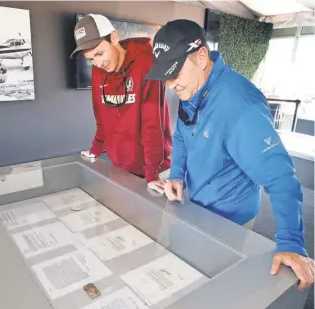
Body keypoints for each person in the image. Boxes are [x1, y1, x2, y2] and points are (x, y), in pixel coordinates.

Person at [145, 19, 314, 291]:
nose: (170, 84)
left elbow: (281, 178)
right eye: (166, 76)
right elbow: (181, 134)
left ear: (201, 57)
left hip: (232, 218)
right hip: (197, 206)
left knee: (216, 286)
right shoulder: (192, 89)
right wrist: (176, 172)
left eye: (175, 73)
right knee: (190, 274)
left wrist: (291, 243)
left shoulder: (240, 105)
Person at [70, 14, 172, 194]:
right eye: (91, 59)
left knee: (149, 221)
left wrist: (152, 174)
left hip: (153, 167)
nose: (98, 63)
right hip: (119, 166)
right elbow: (101, 115)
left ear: (114, 38)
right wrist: (96, 148)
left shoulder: (146, 61)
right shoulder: (98, 70)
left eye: (100, 53)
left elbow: (153, 123)